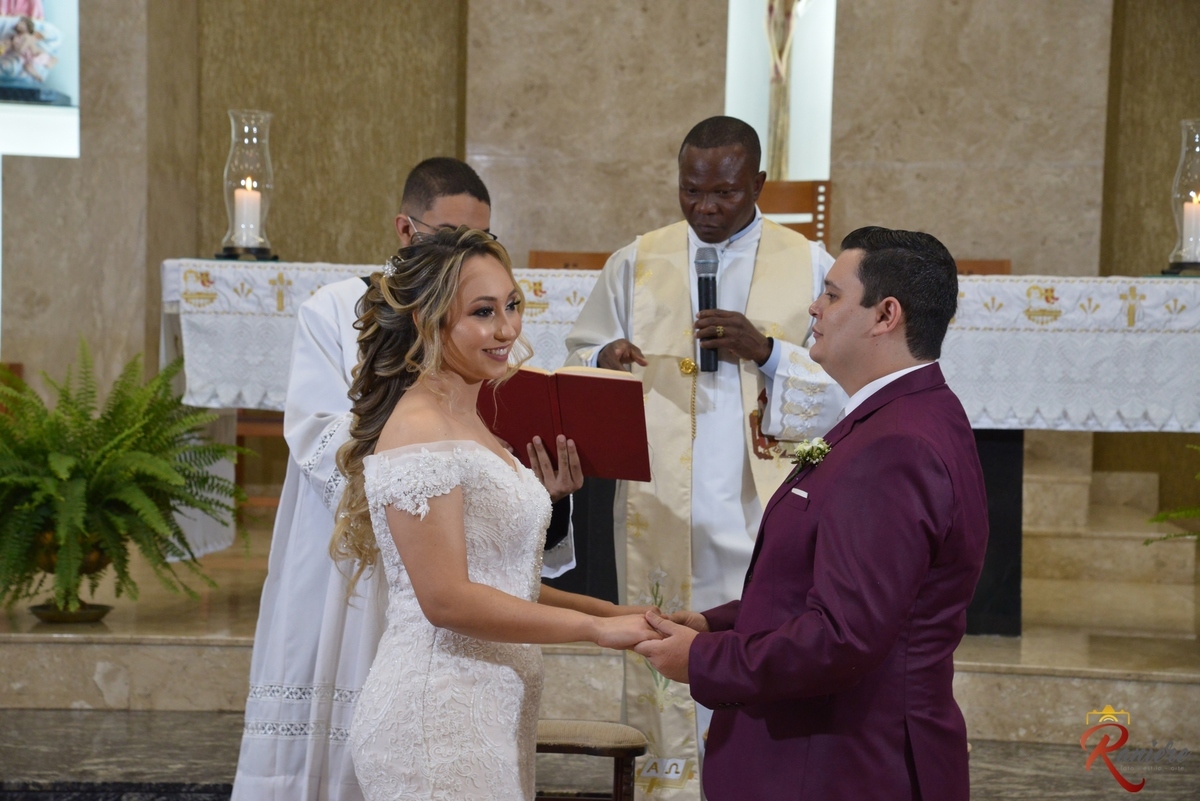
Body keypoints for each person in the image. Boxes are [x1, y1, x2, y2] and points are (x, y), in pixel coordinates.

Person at [231, 158, 581, 801]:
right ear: (405, 228)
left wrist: (517, 489)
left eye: (480, 239)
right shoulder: (334, 310)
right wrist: (428, 467)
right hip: (369, 556)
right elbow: (317, 434)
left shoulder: (479, 341)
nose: (462, 252)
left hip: (474, 648)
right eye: (446, 233)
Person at [635, 226, 990, 801]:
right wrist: (718, 623)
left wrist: (705, 659)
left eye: (832, 294)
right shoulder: (908, 414)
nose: (813, 307)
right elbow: (834, 587)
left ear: (885, 315)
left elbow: (844, 637)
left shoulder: (894, 446)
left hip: (838, 764)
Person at [562, 115, 845, 796]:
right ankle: (673, 784)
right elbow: (578, 353)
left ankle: (753, 776)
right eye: (692, 191)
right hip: (662, 497)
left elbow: (846, 383)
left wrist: (769, 351)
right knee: (665, 635)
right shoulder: (638, 257)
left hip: (761, 499)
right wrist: (608, 356)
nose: (706, 208)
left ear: (759, 185)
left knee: (755, 636)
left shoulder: (808, 263)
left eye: (725, 193)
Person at [331, 227, 659, 800]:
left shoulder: (470, 414)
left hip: (486, 708)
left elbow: (504, 581)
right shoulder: (419, 428)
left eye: (512, 305)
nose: (507, 329)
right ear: (427, 321)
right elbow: (447, 599)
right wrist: (595, 629)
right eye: (483, 312)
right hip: (438, 717)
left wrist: (615, 612)